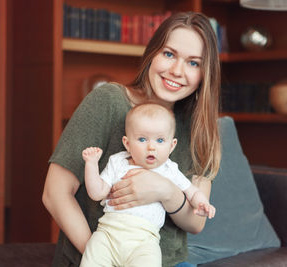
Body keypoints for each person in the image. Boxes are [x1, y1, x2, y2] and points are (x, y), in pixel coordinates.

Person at [42, 11, 221, 267]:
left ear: (206, 74)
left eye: (194, 63)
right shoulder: (109, 102)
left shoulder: (200, 128)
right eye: (169, 54)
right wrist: (101, 256)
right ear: (152, 54)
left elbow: (196, 223)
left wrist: (167, 191)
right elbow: (54, 194)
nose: (176, 71)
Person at [80, 103, 216, 266]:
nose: (151, 147)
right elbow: (97, 193)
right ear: (127, 143)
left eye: (160, 140)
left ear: (172, 146)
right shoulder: (118, 162)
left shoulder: (169, 170)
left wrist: (203, 203)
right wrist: (91, 164)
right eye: (142, 139)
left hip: (144, 241)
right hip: (107, 234)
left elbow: (192, 192)